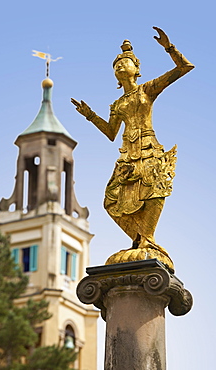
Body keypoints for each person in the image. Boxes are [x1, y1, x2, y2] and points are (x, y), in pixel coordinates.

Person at [71, 27, 194, 253]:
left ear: (136, 68)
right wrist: (90, 115)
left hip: (148, 147)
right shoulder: (118, 104)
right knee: (111, 200)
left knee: (156, 189)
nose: (119, 65)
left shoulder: (147, 90)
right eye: (116, 64)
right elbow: (110, 132)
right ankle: (141, 239)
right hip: (127, 154)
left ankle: (148, 238)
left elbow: (184, 67)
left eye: (124, 62)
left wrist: (169, 48)